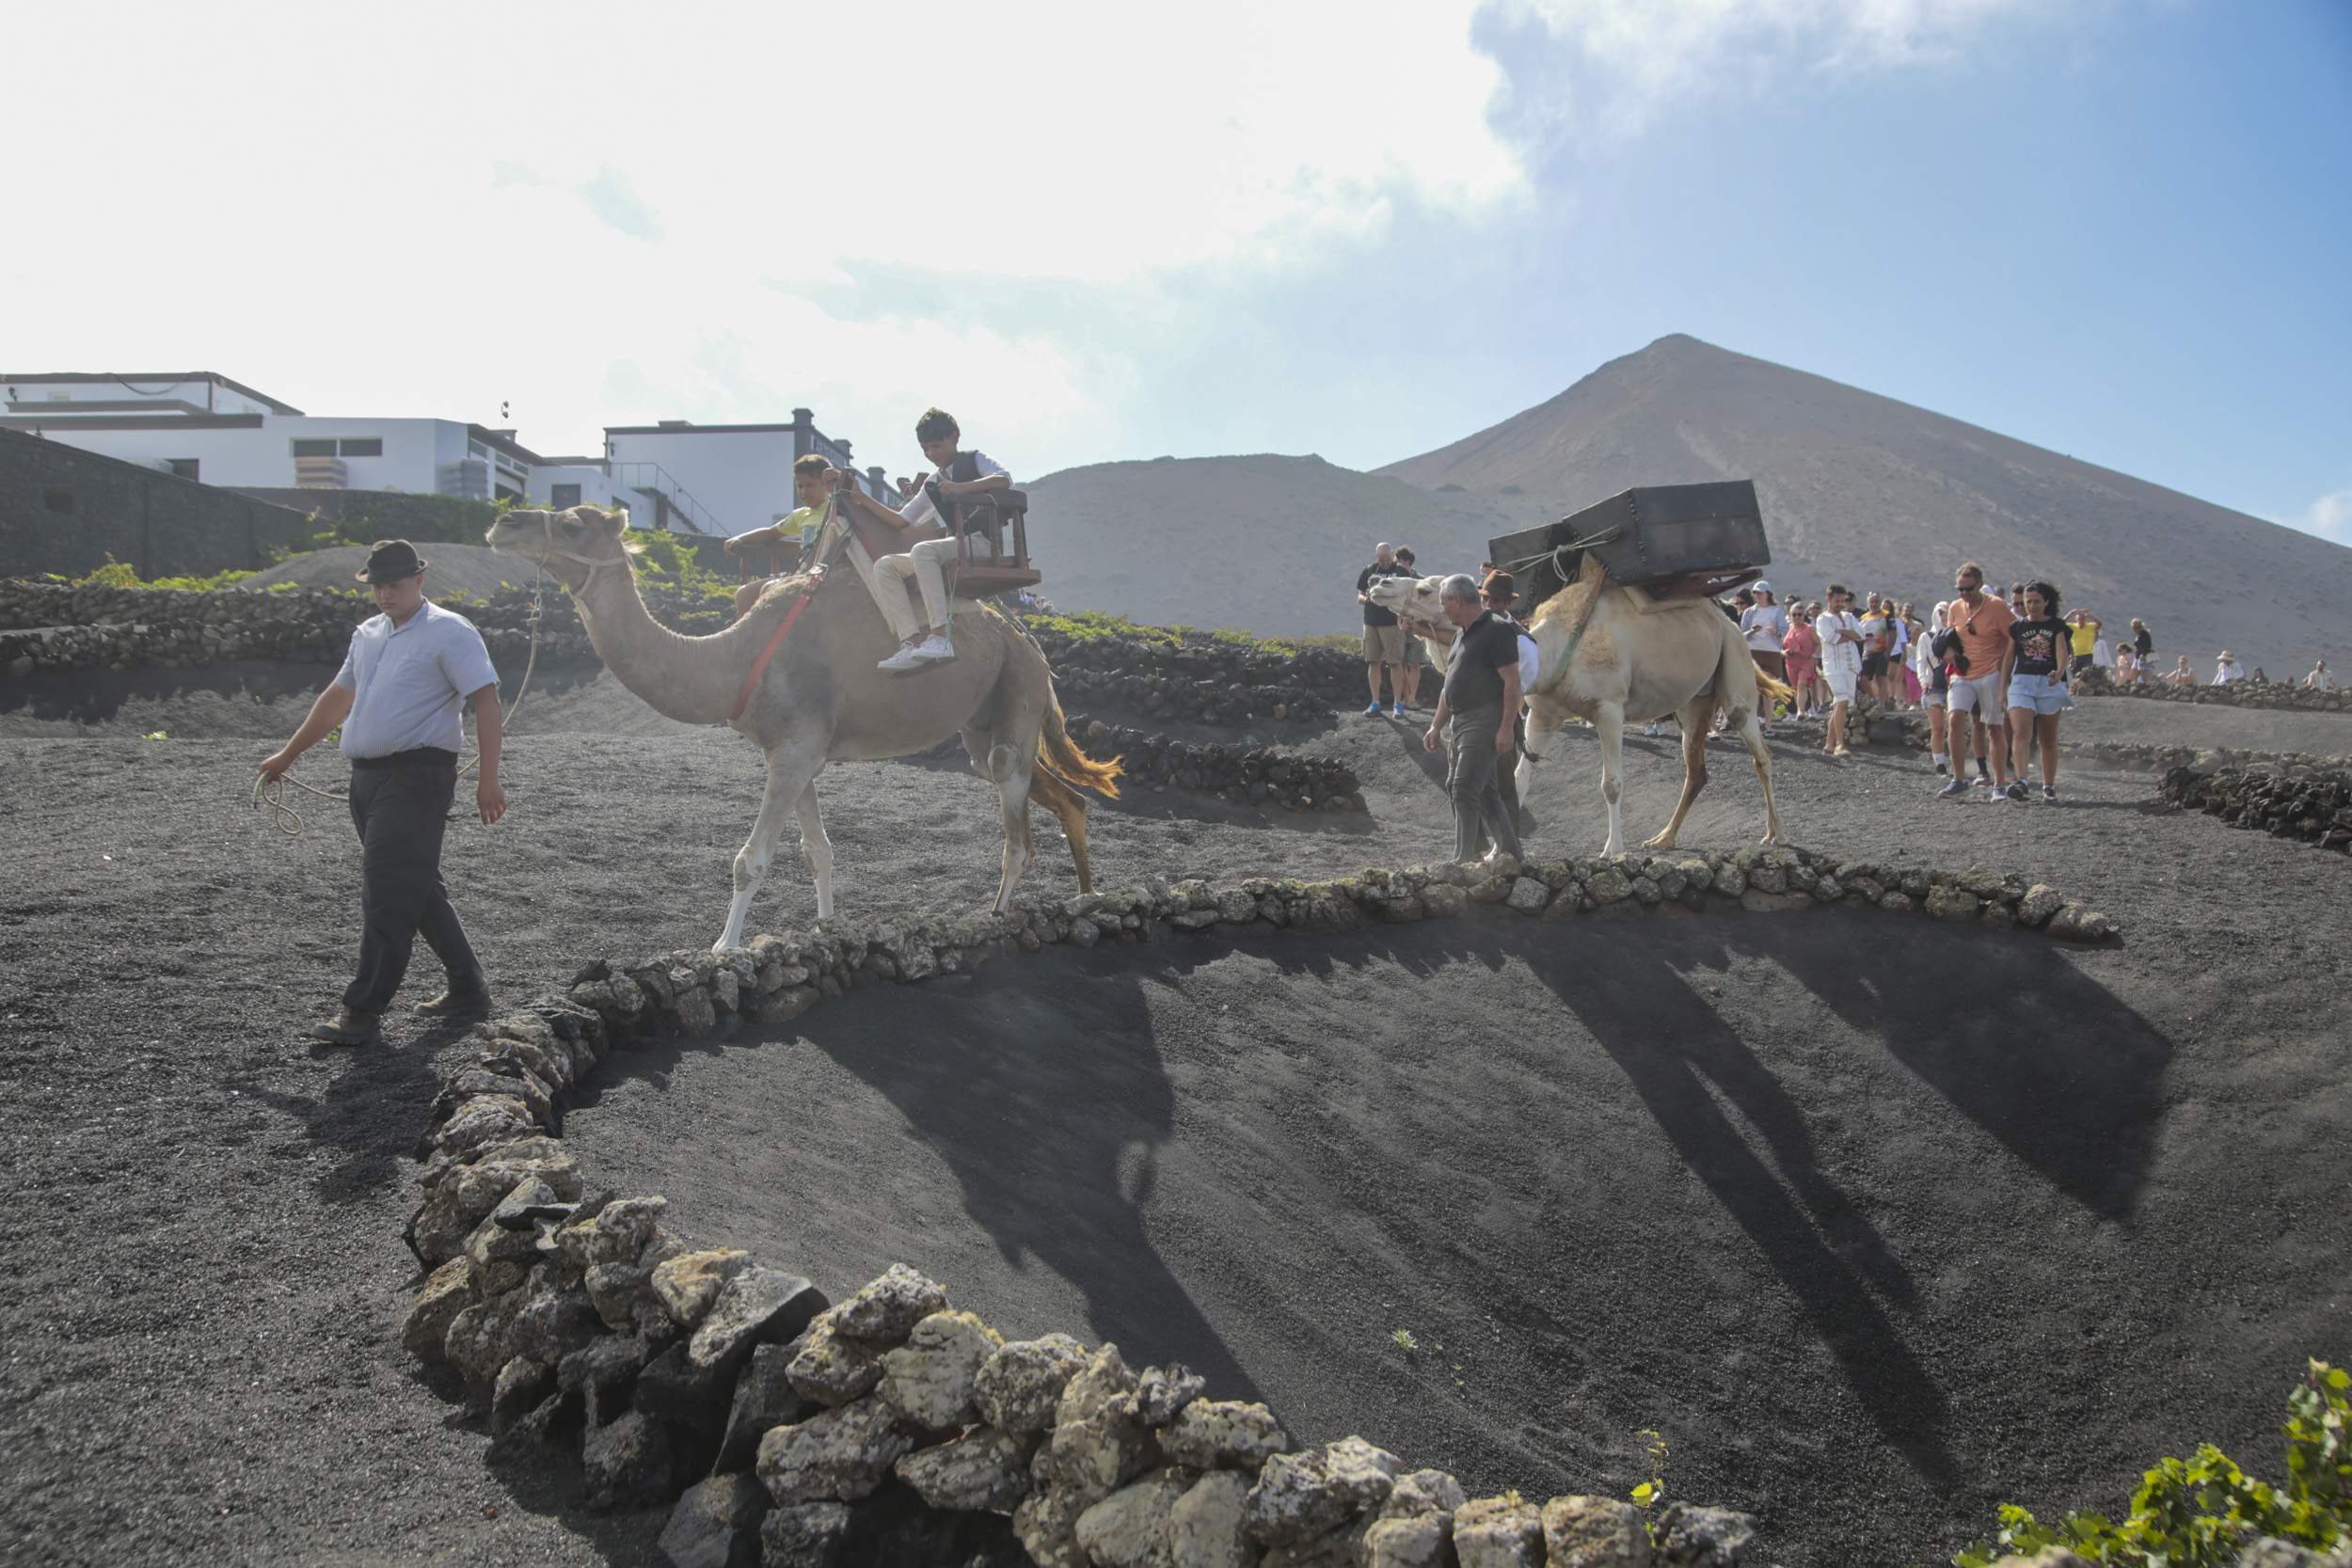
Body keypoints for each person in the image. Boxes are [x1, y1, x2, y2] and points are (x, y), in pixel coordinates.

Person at [258, 540, 506, 1046]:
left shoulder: (451, 631)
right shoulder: (368, 633)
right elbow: (338, 697)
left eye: (394, 584)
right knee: (415, 884)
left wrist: (489, 779)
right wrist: (288, 754)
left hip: (418, 776)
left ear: (419, 580)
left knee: (387, 889)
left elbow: (486, 700)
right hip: (367, 778)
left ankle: (362, 1011)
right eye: (378, 586)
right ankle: (467, 986)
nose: (385, 594)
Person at [836, 407, 1012, 672]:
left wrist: (960, 488)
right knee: (885, 566)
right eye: (925, 449)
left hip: (981, 544)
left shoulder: (974, 460)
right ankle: (910, 642)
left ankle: (940, 638)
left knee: (923, 551)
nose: (931, 454)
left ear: (955, 437)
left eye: (936, 446)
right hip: (956, 548)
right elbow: (901, 520)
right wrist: (862, 499)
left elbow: (1004, 479)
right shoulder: (934, 482)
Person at [1422, 574, 1523, 864]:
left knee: (1464, 788)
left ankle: (1464, 858)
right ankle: (1511, 853)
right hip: (1460, 721)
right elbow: (1448, 686)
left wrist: (1506, 728)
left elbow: (1512, 682)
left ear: (1456, 600)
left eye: (1444, 603)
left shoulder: (1497, 630)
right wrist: (1436, 725)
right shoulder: (1460, 635)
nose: (1443, 610)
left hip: (1485, 719)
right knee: (1483, 791)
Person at [1936, 561, 2016, 800]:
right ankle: (1959, 779)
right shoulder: (1955, 607)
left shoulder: (1997, 607)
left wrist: (2004, 667)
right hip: (1962, 673)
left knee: (1993, 727)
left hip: (1990, 672)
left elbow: (2014, 638)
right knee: (1954, 719)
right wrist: (1949, 653)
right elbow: (1951, 635)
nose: (1964, 594)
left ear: (1980, 584)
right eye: (1960, 589)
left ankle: (1999, 784)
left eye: (1968, 589)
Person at [723, 453, 833, 619]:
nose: (804, 491)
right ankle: (752, 634)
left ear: (826, 484)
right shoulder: (801, 515)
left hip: (823, 575)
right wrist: (740, 539)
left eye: (810, 485)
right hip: (801, 574)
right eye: (800, 486)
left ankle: (772, 634)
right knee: (744, 594)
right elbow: (771, 533)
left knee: (769, 589)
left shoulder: (837, 509)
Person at [1478, 569, 1542, 841]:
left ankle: (1508, 845)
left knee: (1503, 785)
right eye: (1485, 599)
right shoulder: (1477, 628)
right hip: (1474, 715)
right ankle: (1477, 844)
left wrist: (1505, 722)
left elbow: (1523, 683)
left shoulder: (1521, 641)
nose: (1489, 604)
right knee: (1467, 784)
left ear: (1507, 603)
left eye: (1495, 600)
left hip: (1501, 715)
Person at [2004, 580, 2073, 801]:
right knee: (2021, 732)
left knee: (2047, 737)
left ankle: (2048, 785)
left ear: (2046, 602)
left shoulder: (2057, 625)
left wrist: (2059, 671)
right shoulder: (2017, 627)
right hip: (2022, 681)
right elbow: (2008, 658)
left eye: (2036, 601)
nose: (2032, 606)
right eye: (2028, 602)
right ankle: (2022, 781)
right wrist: (2002, 689)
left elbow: (2062, 651)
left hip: (2048, 683)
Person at [1356, 542, 1413, 717]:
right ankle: (1375, 702)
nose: (1385, 562)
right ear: (1376, 557)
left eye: (1387, 559)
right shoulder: (1369, 570)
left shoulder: (1401, 571)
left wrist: (1405, 617)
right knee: (1373, 661)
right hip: (1371, 622)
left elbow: (1410, 595)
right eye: (1381, 559)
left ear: (1392, 555)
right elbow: (1359, 595)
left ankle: (1398, 704)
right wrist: (1366, 599)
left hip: (1392, 623)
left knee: (1395, 662)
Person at [1815, 584, 1865, 756]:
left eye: (1843, 601)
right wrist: (1850, 635)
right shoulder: (1823, 619)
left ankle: (1829, 745)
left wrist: (1843, 631)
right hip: (1834, 666)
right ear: (1828, 599)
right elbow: (1832, 638)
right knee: (1841, 701)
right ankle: (1840, 744)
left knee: (1840, 704)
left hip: (1851, 666)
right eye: (1837, 601)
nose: (1840, 604)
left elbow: (1860, 635)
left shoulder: (1849, 616)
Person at [1740, 581, 1789, 716]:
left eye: (1760, 593)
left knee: (1769, 688)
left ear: (1768, 594)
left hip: (1771, 652)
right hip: (1753, 652)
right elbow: (1742, 634)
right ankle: (1755, 719)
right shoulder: (1749, 612)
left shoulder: (1777, 611)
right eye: (1755, 593)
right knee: (1754, 688)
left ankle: (1768, 722)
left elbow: (1785, 631)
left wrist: (1776, 632)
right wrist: (1752, 631)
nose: (1758, 595)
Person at [1916, 601, 1953, 773]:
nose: (1944, 618)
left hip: (1953, 685)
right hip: (1933, 686)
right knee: (1938, 727)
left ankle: (1956, 761)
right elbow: (1920, 662)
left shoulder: (1954, 635)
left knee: (1954, 727)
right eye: (1942, 614)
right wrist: (1923, 682)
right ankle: (1939, 763)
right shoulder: (1926, 637)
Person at [1392, 547, 1426, 708]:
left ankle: (1411, 698)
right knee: (1401, 663)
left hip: (1417, 626)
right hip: (1398, 625)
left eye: (1397, 560)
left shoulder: (1421, 581)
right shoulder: (1394, 581)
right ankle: (1405, 696)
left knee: (1415, 663)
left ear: (1405, 561)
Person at [1781, 607, 1820, 721]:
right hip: (1791, 663)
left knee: (1802, 684)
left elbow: (1819, 643)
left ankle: (1800, 712)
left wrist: (1814, 656)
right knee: (1795, 688)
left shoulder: (1810, 628)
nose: (1797, 617)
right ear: (1790, 616)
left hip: (1806, 662)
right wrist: (1784, 653)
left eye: (1799, 614)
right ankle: (1804, 708)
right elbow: (1781, 647)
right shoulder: (1789, 629)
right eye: (1794, 615)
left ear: (1804, 615)